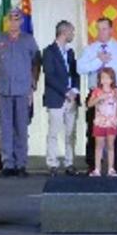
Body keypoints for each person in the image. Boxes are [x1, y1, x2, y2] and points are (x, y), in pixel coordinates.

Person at [0, 7, 40, 177]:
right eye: (10, 19)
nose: (13, 23)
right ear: (6, 21)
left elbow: (36, 63)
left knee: (21, 128)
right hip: (3, 90)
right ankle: (8, 164)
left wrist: (33, 86)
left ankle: (21, 164)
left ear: (21, 21)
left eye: (17, 19)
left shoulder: (28, 40)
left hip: (23, 90)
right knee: (6, 128)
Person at [78, 18, 117, 174]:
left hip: (115, 94)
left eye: (104, 29)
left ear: (111, 30)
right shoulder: (90, 49)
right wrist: (98, 60)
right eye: (98, 29)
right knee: (93, 130)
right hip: (96, 94)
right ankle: (93, 165)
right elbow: (80, 68)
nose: (100, 32)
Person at [42, 20, 81, 176]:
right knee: (54, 132)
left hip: (72, 98)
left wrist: (75, 90)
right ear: (64, 32)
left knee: (71, 132)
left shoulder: (70, 52)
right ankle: (52, 163)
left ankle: (69, 162)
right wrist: (65, 92)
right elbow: (50, 76)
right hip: (56, 97)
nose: (73, 34)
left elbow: (75, 73)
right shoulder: (49, 51)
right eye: (71, 31)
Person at [87, 67, 117, 177]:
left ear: (112, 80)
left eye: (108, 78)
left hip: (111, 123)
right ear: (99, 79)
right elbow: (89, 104)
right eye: (103, 78)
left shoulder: (115, 92)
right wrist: (98, 98)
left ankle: (111, 169)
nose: (105, 80)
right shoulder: (97, 91)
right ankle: (97, 169)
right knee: (99, 146)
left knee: (111, 146)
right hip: (100, 123)